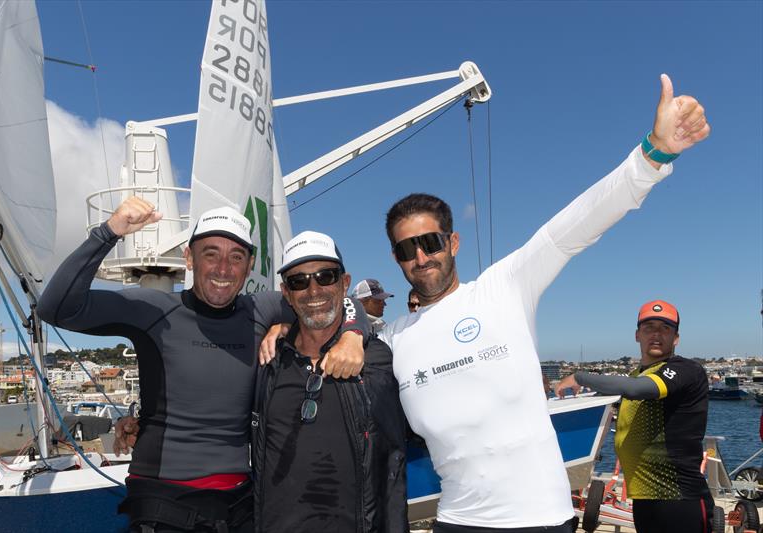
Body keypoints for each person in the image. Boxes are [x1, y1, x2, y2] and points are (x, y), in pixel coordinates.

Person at [377, 75, 709, 532]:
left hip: (541, 520)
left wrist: (654, 154)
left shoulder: (504, 286)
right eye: (405, 249)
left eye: (430, 242)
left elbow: (577, 223)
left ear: (453, 242)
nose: (420, 257)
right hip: (455, 521)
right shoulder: (394, 338)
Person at [37, 198, 366, 533]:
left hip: (239, 500)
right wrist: (109, 232)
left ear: (249, 265)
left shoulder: (261, 309)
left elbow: (343, 301)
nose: (223, 268)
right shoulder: (153, 309)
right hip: (164, 499)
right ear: (189, 258)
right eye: (210, 253)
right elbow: (55, 307)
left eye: (236, 257)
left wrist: (352, 335)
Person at [252, 232, 407, 532]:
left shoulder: (378, 359)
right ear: (286, 293)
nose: (314, 290)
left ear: (344, 284)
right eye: (299, 281)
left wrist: (354, 332)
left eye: (326, 276)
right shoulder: (268, 360)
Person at [555, 300, 712, 533]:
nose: (657, 334)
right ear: (637, 335)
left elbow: (639, 389)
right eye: (649, 328)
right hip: (644, 499)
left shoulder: (685, 369)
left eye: (665, 328)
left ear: (676, 338)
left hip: (679, 498)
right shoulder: (635, 375)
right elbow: (625, 391)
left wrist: (580, 377)